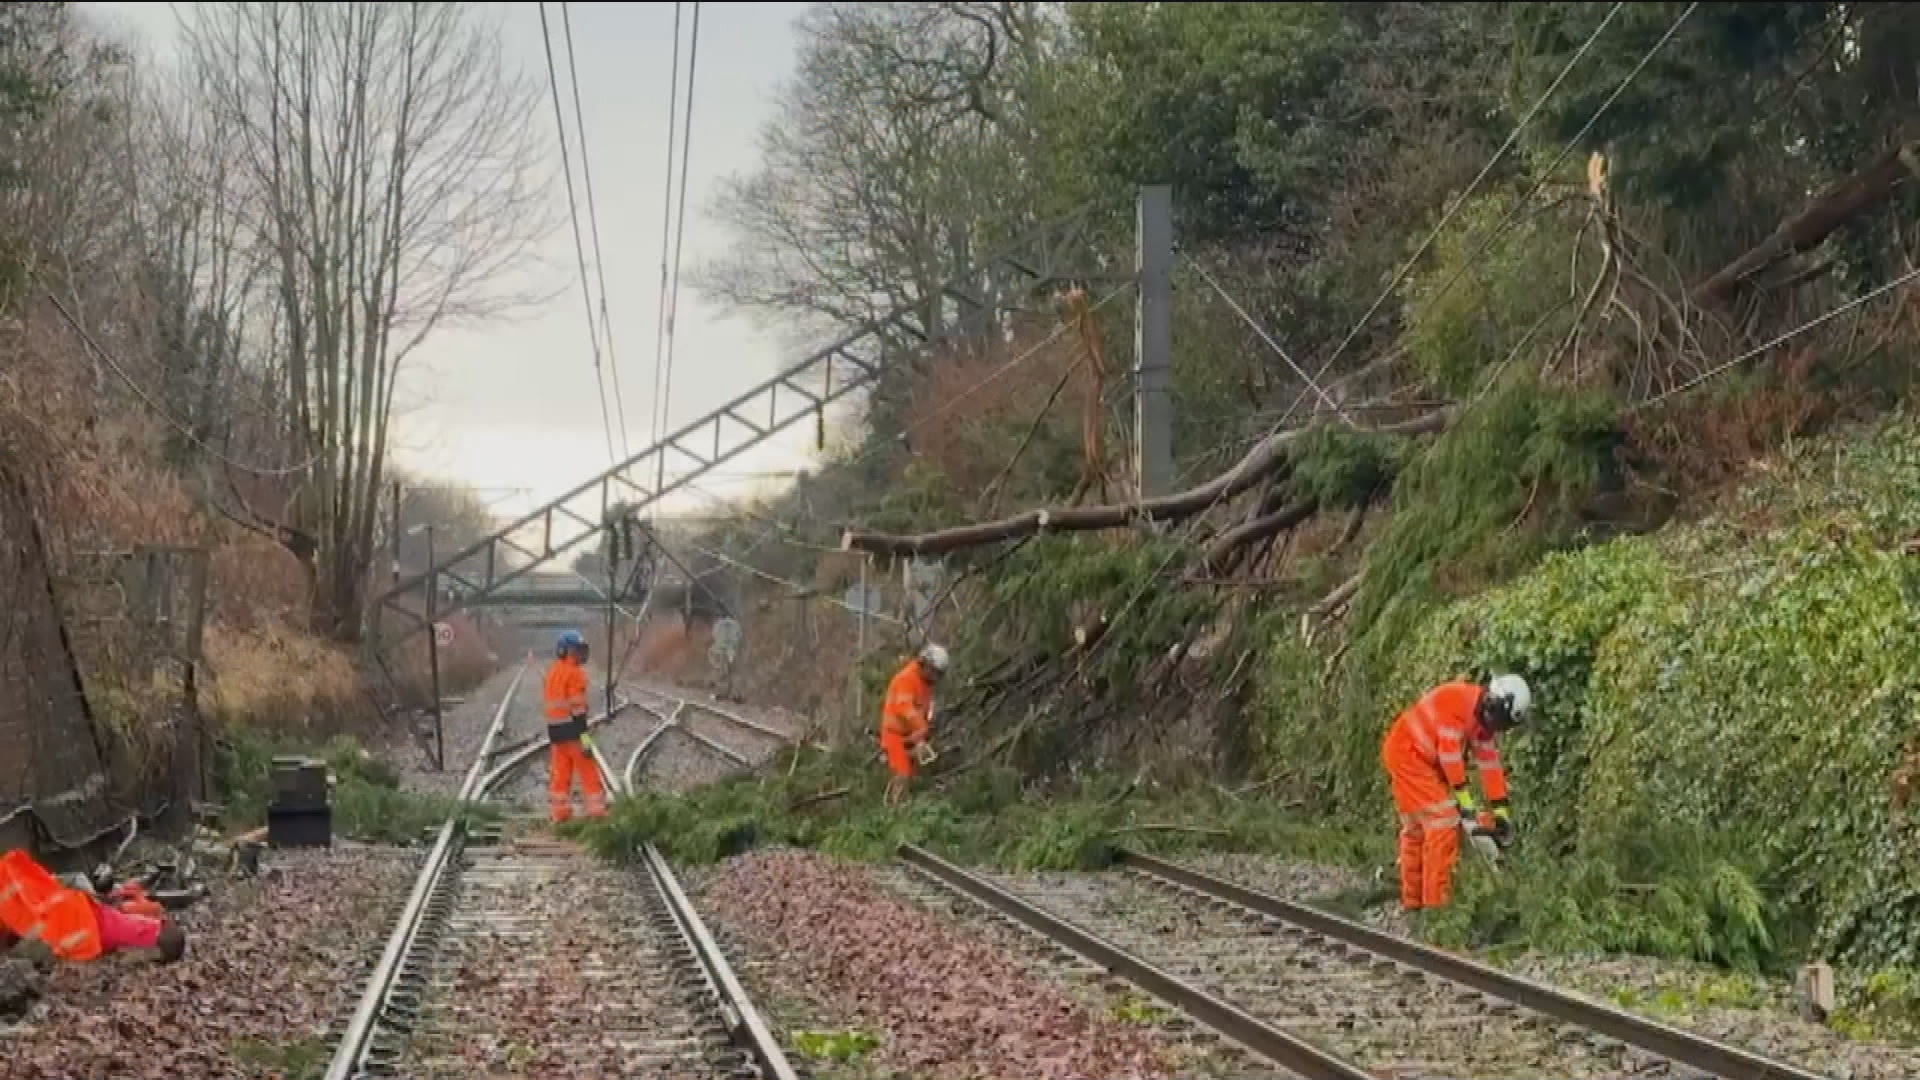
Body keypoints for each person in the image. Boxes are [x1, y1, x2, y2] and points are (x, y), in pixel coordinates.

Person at [1379, 674, 1532, 911]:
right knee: (1443, 824)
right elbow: (1449, 756)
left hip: (1417, 757)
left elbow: (1490, 765)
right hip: (1409, 755)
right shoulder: (1457, 703)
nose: (1494, 729)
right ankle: (1437, 909)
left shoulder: (1483, 719)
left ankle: (1413, 902)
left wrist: (1501, 812)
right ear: (1492, 703)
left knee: (1416, 828)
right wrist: (1465, 803)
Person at [0, 849, 186, 964]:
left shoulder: (147, 930)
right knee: (32, 904)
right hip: (86, 918)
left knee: (34, 900)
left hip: (87, 918)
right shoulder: (144, 932)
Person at [542, 629, 606, 823]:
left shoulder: (552, 672)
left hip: (555, 733)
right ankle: (596, 812)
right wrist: (585, 737)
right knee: (588, 771)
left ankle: (559, 813)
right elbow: (578, 710)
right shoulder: (575, 674)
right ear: (567, 651)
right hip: (573, 732)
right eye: (577, 650)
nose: (580, 654)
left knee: (560, 774)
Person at [880, 643, 948, 808]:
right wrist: (921, 727)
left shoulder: (924, 684)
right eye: (934, 672)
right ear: (925, 665)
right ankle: (895, 810)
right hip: (894, 734)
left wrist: (924, 731)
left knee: (912, 774)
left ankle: (904, 808)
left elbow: (922, 709)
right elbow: (905, 707)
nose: (935, 678)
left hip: (910, 735)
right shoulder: (907, 679)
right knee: (902, 773)